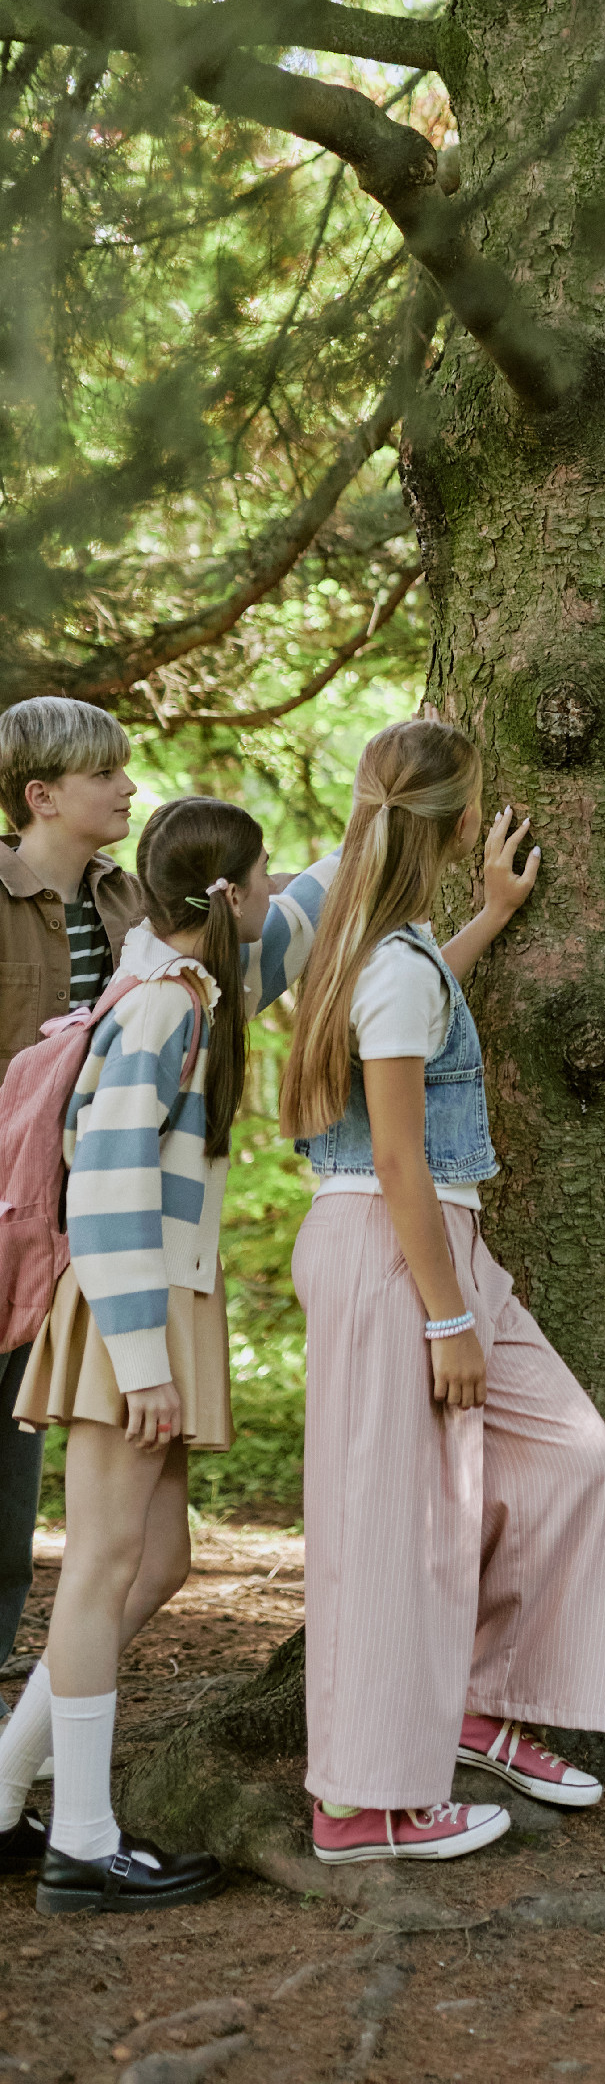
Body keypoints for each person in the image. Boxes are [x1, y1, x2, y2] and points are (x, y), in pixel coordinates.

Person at [280, 717, 605, 1867]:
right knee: (395, 1535)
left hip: (431, 1246)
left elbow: (418, 1032)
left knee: (574, 1463)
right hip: (397, 1252)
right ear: (458, 815)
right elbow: (394, 1158)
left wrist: (488, 917)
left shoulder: (390, 946)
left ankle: (475, 1712)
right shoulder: (380, 959)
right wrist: (445, 1316)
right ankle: (359, 1805)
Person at [0, 793, 334, 1913]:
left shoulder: (197, 981)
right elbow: (103, 1190)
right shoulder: (160, 1009)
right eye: (264, 877)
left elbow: (312, 902)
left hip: (157, 1302)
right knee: (97, 1569)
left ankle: (2, 1790)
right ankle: (82, 1844)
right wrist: (143, 1361)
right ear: (228, 895)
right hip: (127, 1310)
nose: (275, 890)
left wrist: (389, 811)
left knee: (158, 1564)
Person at [0, 699, 146, 1745]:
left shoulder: (127, 900)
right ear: (42, 794)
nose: (130, 791)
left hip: (84, 1232)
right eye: (109, 777)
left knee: (16, 1502)